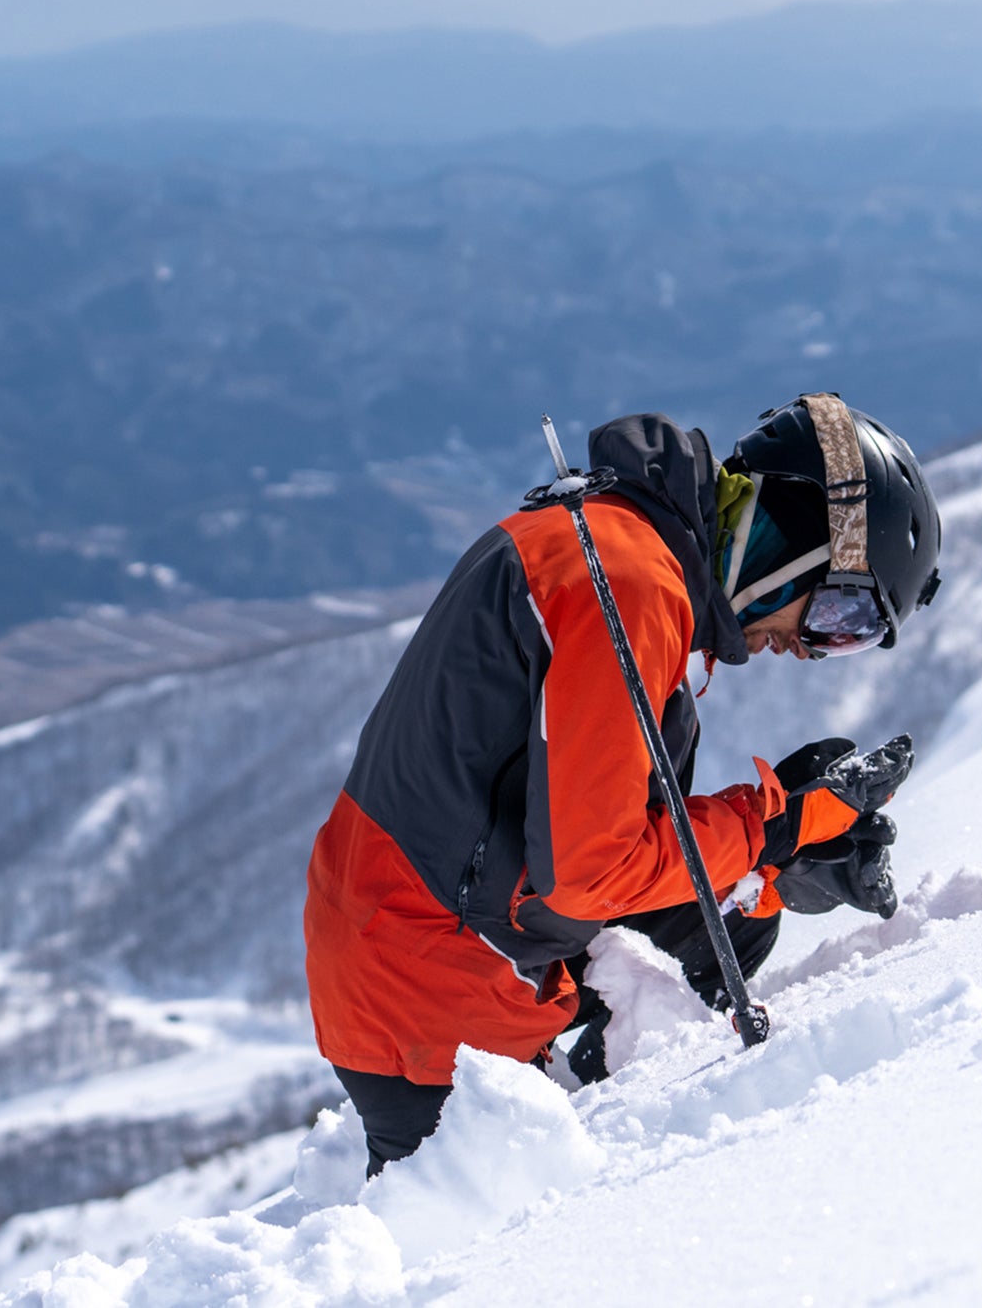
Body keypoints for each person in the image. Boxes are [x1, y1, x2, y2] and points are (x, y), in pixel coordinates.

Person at [303, 393, 943, 1175]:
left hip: (439, 921)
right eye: (839, 613)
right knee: (488, 1243)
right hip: (427, 998)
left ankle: (604, 1069)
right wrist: (770, 826)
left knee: (734, 928)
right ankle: (598, 1119)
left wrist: (774, 858)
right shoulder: (632, 587)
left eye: (852, 638)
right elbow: (592, 870)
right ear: (796, 542)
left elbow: (603, 831)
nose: (816, 650)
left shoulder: (626, 544)